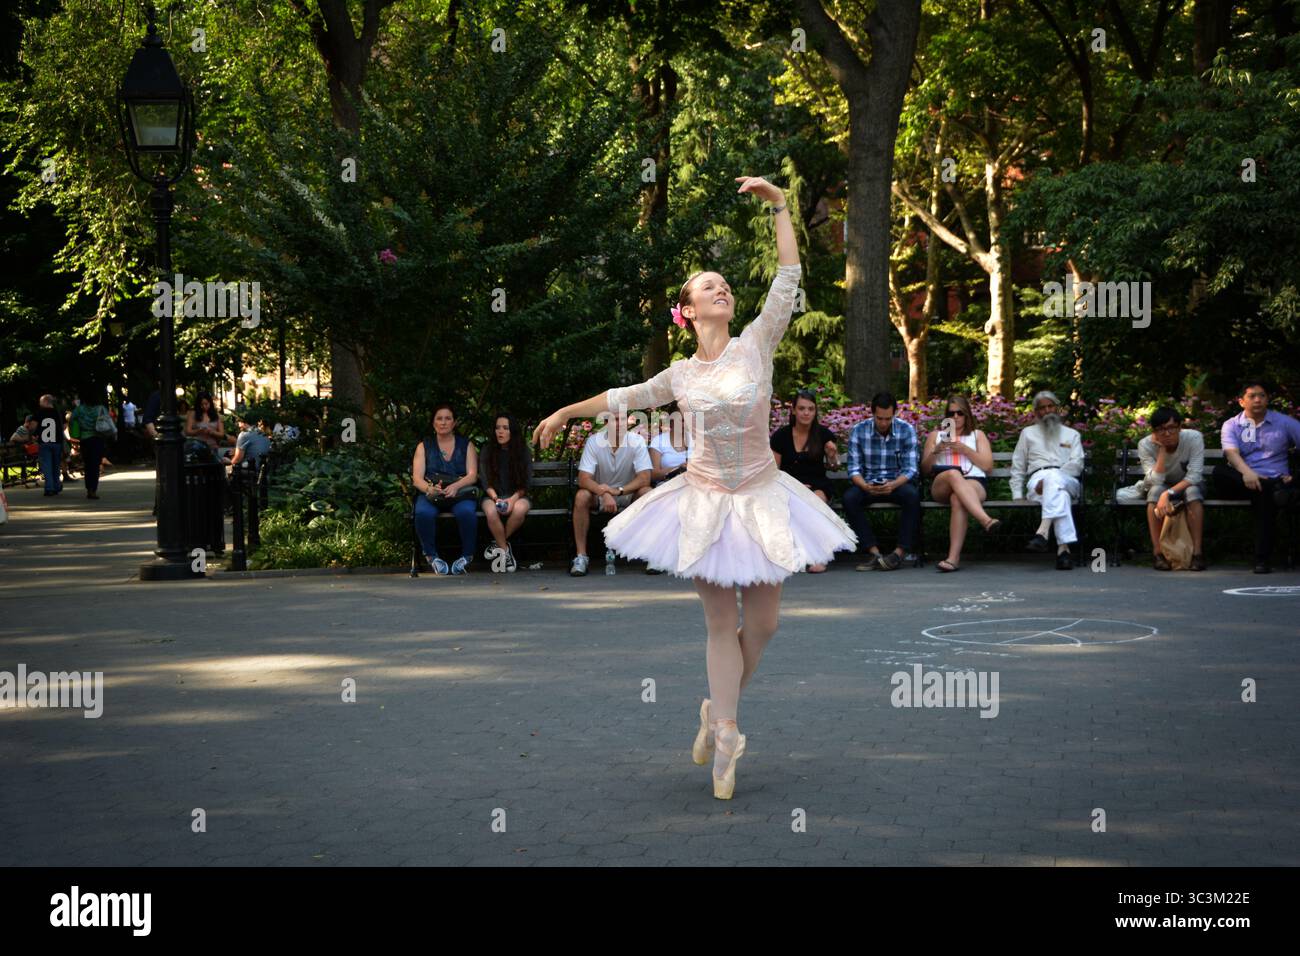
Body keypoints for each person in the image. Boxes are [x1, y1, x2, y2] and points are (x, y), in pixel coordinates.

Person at [534, 175, 856, 800]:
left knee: (762, 627)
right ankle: (729, 734)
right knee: (718, 625)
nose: (723, 288)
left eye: (725, 283)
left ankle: (713, 709)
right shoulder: (680, 374)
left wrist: (783, 207)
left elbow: (787, 280)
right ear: (689, 311)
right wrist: (565, 412)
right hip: (704, 499)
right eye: (710, 286)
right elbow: (620, 397)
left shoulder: (757, 345)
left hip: (763, 494)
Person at [1213, 382, 1300, 574]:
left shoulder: (1284, 423)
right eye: (1252, 396)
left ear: (1267, 399)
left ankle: (1262, 560)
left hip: (1271, 484)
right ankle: (1270, 488)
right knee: (1219, 473)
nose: (1258, 400)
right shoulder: (1233, 424)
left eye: (1262, 395)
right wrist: (1248, 473)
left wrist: (1294, 476)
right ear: (1241, 401)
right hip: (1243, 480)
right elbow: (1231, 454)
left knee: (1264, 495)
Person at [1116, 407, 1206, 571]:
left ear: (1179, 427)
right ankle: (1158, 553)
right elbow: (1155, 480)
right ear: (1154, 431)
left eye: (1171, 428)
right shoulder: (1146, 444)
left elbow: (1195, 476)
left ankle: (1197, 554)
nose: (1166, 433)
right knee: (1154, 492)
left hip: (1188, 484)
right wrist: (1162, 452)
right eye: (1161, 430)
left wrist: (1168, 493)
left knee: (1192, 492)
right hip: (1161, 485)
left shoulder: (1194, 438)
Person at [568, 411, 653, 576]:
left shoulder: (636, 441)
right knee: (581, 496)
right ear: (607, 422)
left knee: (647, 493)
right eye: (615, 419)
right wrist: (604, 492)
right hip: (599, 496)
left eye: (622, 419)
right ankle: (581, 557)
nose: (620, 423)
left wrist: (617, 491)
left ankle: (652, 556)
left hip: (628, 495)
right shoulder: (594, 442)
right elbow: (584, 479)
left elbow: (645, 478)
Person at [842, 392, 921, 571]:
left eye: (888, 418)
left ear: (894, 414)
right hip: (868, 483)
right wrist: (865, 486)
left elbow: (911, 469)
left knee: (912, 496)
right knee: (849, 498)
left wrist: (893, 485)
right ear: (872, 414)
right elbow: (853, 469)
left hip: (896, 483)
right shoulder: (858, 430)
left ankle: (899, 553)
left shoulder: (906, 429)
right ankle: (874, 553)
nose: (884, 423)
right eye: (879, 418)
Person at [920, 394, 999, 572]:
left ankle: (953, 559)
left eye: (960, 413)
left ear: (967, 415)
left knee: (958, 498)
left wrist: (965, 449)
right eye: (951, 413)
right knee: (954, 474)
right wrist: (937, 450)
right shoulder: (936, 435)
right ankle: (985, 520)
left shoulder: (977, 435)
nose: (955, 417)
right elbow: (924, 470)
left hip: (974, 482)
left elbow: (987, 466)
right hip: (942, 482)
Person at [1010, 390, 1085, 569]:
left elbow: (1077, 464)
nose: (1047, 410)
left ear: (1057, 409)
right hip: (1037, 483)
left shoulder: (1072, 434)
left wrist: (1055, 476)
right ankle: (1064, 551)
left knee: (1053, 478)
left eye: (1050, 406)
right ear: (1036, 412)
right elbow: (1018, 464)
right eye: (1042, 408)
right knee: (1061, 496)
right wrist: (1017, 494)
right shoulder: (1027, 433)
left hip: (1069, 480)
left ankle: (1043, 531)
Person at [770, 389, 840, 572]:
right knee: (790, 501)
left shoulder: (824, 434)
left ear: (815, 411)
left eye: (810, 409)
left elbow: (834, 466)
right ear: (793, 410)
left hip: (817, 484)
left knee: (815, 501)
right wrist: (795, 486)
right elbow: (774, 472)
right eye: (801, 408)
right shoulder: (781, 437)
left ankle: (819, 556)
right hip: (788, 486)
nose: (806, 413)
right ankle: (794, 554)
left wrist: (832, 457)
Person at [411, 402, 480, 575]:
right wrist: (429, 489)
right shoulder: (423, 446)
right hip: (432, 494)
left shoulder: (467, 445)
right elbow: (416, 479)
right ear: (433, 423)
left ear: (454, 423)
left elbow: (472, 475)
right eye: (439, 419)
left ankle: (466, 557)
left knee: (466, 513)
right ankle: (432, 558)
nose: (443, 422)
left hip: (460, 492)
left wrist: (456, 486)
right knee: (423, 513)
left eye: (448, 418)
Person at [479, 413, 533, 573]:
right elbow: (485, 481)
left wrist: (512, 499)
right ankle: (505, 550)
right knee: (490, 511)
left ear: (513, 431)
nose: (500, 431)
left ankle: (497, 544)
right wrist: (496, 499)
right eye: (497, 428)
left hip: (518, 495)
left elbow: (526, 483)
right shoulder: (487, 451)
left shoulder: (523, 451)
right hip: (492, 495)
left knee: (520, 509)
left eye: (505, 428)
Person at [68, 388, 115, 500]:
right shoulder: (101, 408)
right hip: (98, 438)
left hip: (85, 439)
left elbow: (71, 420)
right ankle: (93, 489)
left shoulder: (79, 410)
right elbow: (109, 420)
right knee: (95, 465)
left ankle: (89, 488)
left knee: (88, 464)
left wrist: (76, 431)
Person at [34, 394, 62, 496]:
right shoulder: (58, 413)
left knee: (47, 466)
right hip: (57, 442)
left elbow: (33, 426)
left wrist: (34, 434)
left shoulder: (39, 413)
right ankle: (57, 485)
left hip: (44, 442)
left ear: (46, 402)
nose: (39, 404)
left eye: (41, 401)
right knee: (56, 465)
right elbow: (63, 427)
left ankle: (49, 488)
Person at [185, 392, 225, 461]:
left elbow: (221, 434)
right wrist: (198, 431)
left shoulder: (216, 415)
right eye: (201, 404)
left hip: (212, 447)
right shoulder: (193, 414)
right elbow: (188, 431)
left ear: (210, 403)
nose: (204, 406)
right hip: (197, 447)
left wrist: (212, 432)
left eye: (206, 404)